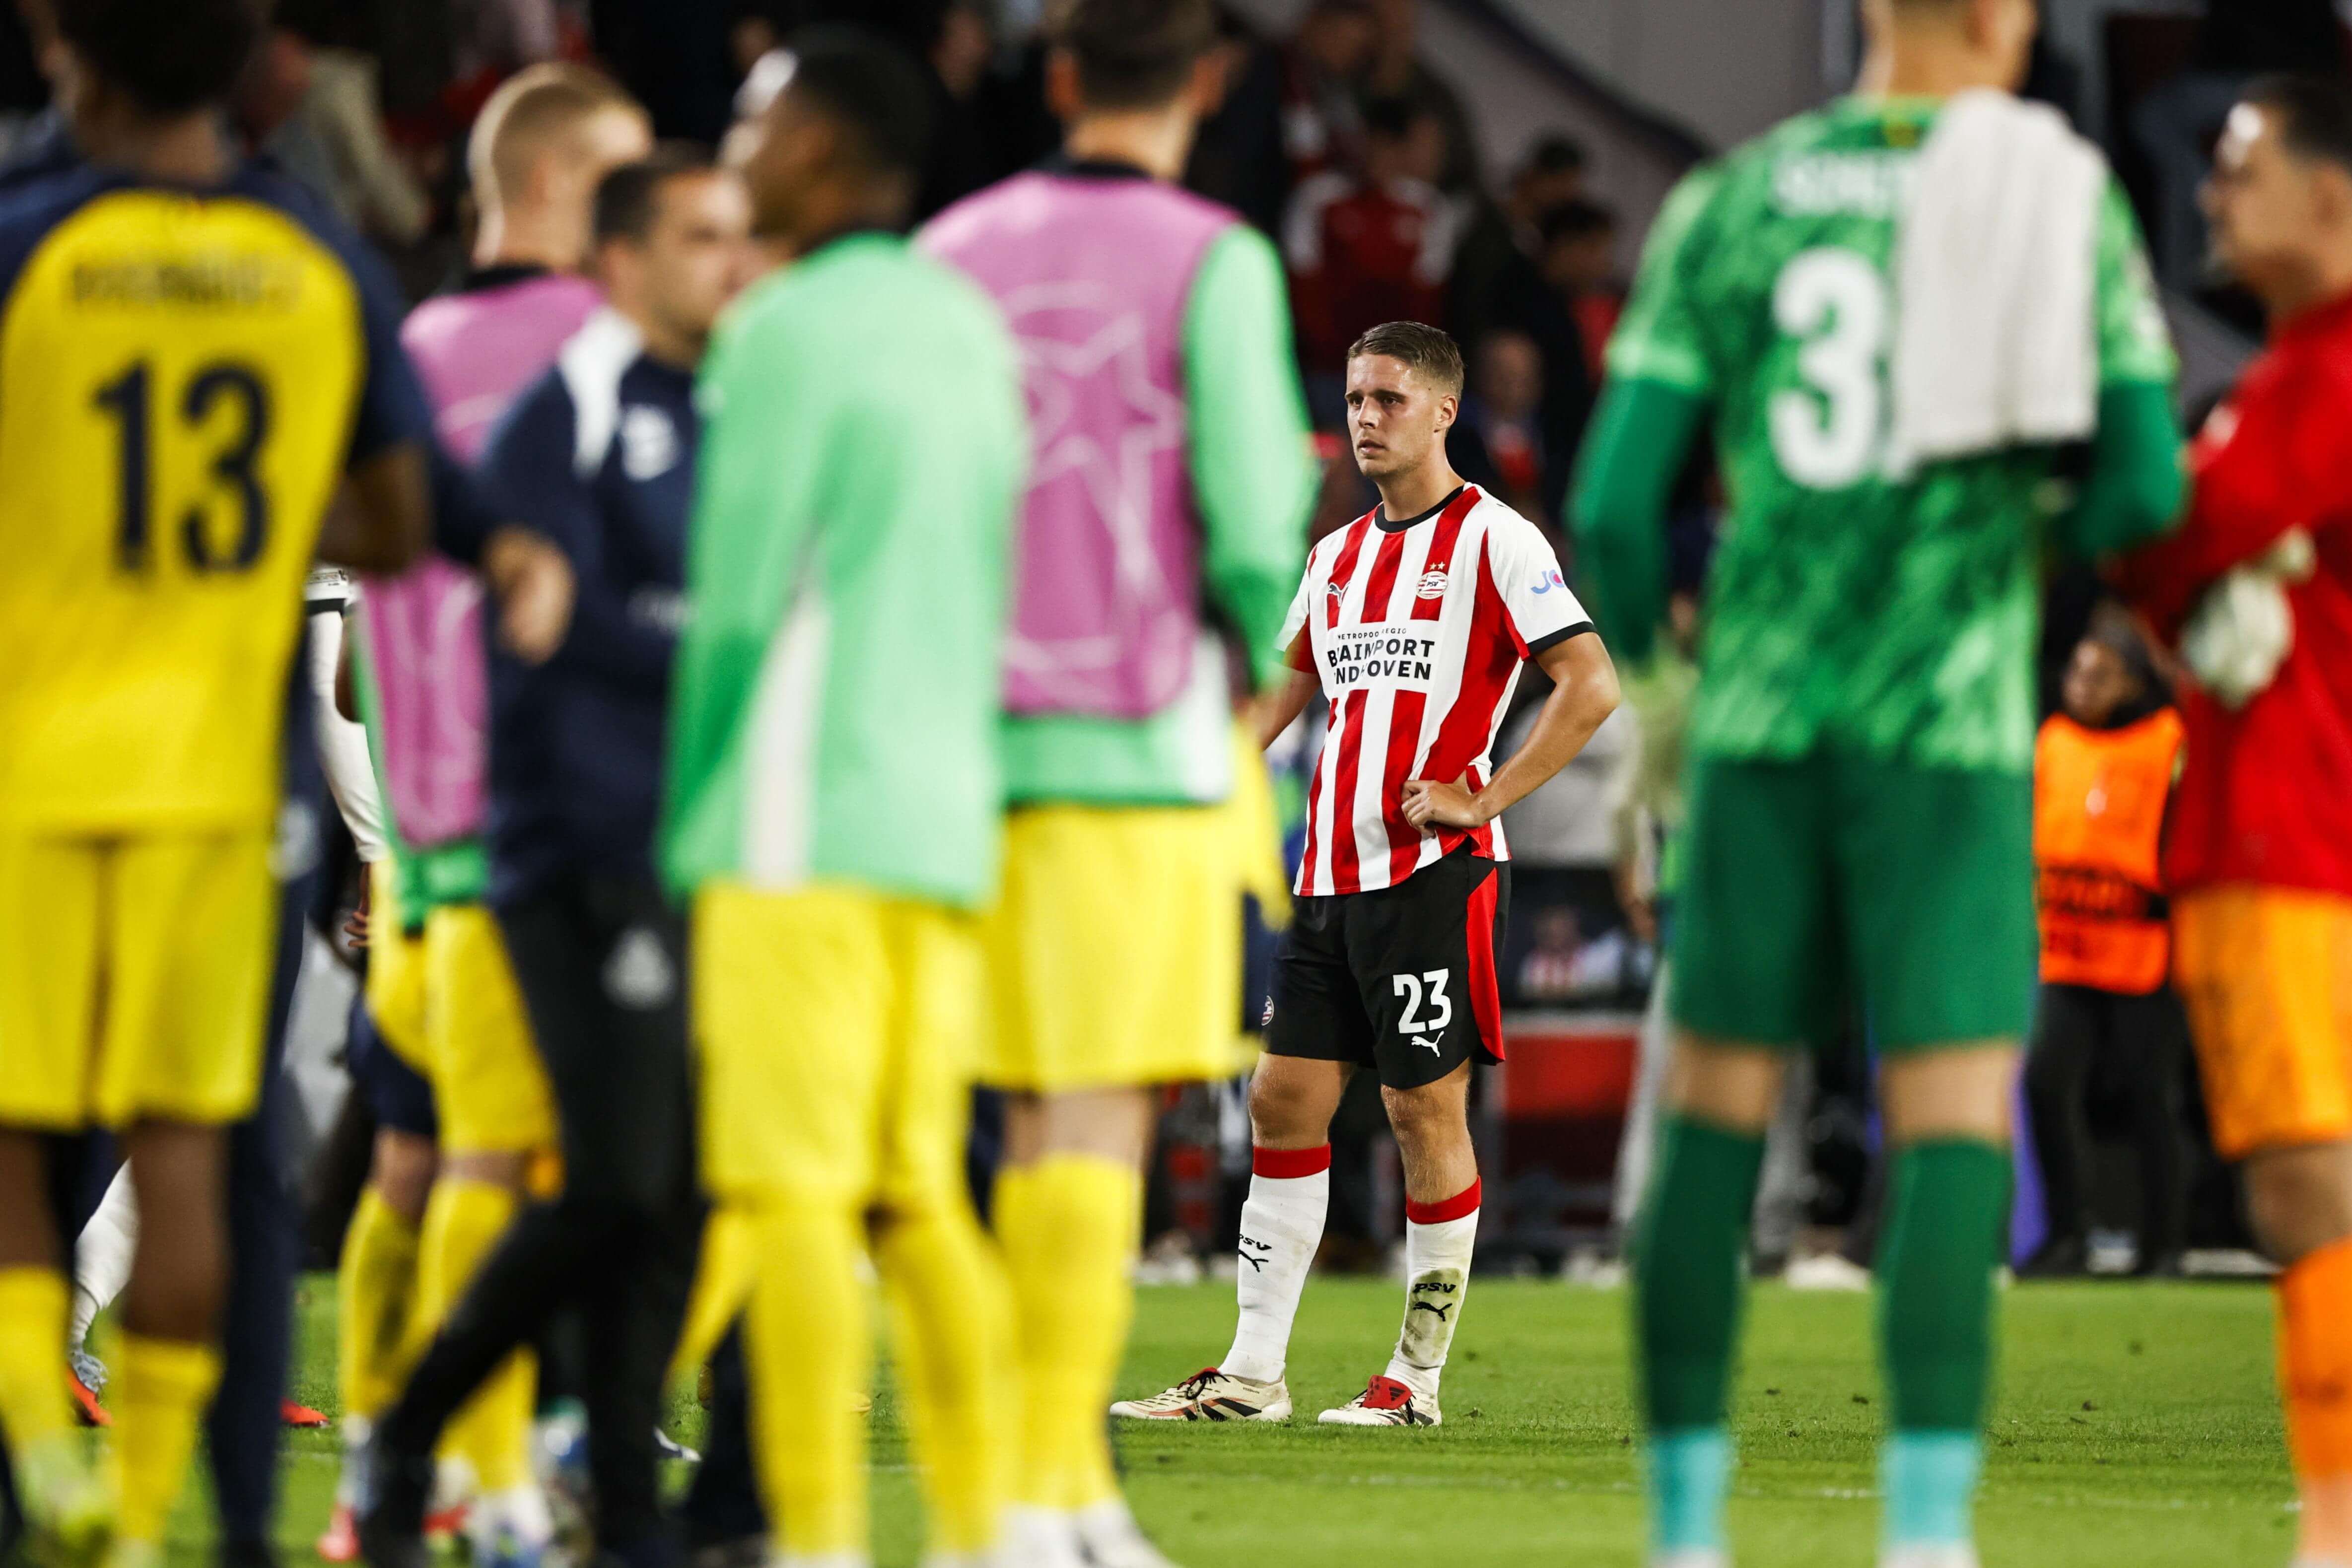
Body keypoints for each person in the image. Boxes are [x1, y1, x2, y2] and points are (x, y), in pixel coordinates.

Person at [1569, 0, 2185, 1562]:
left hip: (1761, 735)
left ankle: (1685, 1531)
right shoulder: (2057, 194)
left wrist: (1660, 698)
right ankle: (1923, 1537)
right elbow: (2140, 485)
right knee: (1952, 1119)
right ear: (2003, 16)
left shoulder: (1736, 197)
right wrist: (2018, 526)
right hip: (1950, 740)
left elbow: (1617, 511)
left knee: (1714, 1120)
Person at [0, 0, 433, 1563]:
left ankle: (38, 1453)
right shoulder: (309, 260)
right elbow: (391, 525)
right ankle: (138, 1509)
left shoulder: (24, 244)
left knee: (15, 1137)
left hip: (36, 761)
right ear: (253, 65)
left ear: (68, 49)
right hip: (225, 778)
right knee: (187, 1154)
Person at [919, 0, 1314, 1558]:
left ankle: (1040, 1490)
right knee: (1087, 1129)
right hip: (1139, 753)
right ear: (1207, 85)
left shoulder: (949, 251)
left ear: (1061, 76)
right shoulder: (1213, 260)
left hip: (958, 747)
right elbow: (1242, 521)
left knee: (996, 1128)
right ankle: (1037, 1491)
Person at [356, 146, 754, 1568]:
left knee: (685, 1189)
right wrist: (739, 649)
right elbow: (558, 617)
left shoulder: (722, 407)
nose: (731, 260)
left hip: (692, 849)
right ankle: (409, 1436)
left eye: (739, 235)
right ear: (624, 258)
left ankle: (628, 1520)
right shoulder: (558, 414)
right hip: (576, 847)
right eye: (703, 236)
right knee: (613, 1184)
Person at [661, 28, 1027, 1568]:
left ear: (817, 150)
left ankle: (810, 1541)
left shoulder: (782, 329)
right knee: (919, 1197)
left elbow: (733, 607)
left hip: (796, 819)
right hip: (944, 819)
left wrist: (680, 823)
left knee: (793, 1200)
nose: (734, 141)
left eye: (756, 117)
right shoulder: (969, 324)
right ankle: (981, 1526)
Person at [1118, 321, 1619, 1428]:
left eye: (1388, 399)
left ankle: (1414, 1380)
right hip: (1328, 876)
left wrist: (1483, 795)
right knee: (1281, 1097)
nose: (1363, 417)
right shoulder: (1335, 556)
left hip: (1431, 874)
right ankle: (1251, 1372)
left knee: (1419, 1109)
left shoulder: (1496, 538)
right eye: (1353, 398)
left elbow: (1589, 683)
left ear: (1444, 411)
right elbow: (1272, 701)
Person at [336, 63, 652, 1568]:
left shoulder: (408, 344)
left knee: (430, 1157)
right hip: (563, 831)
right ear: (554, 190)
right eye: (627, 187)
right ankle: (498, 1476)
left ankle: (393, 1452)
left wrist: (392, 834)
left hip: (423, 841)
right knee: (552, 1170)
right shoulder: (604, 354)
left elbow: (362, 624)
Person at [2112, 72, 2352, 1568]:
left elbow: (2175, 537)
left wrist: (2117, 422)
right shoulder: (2287, 383)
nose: (2211, 192)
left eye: (2241, 166)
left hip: (2291, 841)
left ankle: (2336, 1523)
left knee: (2303, 1173)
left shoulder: (2310, 387)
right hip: (2293, 830)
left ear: (2332, 196)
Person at [2020, 623, 2195, 1279]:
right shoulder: (2052, 741)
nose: (2080, 688)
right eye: (2073, 673)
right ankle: (2069, 1233)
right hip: (2066, 950)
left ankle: (2164, 1245)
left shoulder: (2165, 742)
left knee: (2150, 1094)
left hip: (2143, 951)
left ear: (2130, 682)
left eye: (2097, 676)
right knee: (2044, 1082)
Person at [1284, 96, 1459, 394]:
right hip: (1324, 371)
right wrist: (1327, 354)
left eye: (1387, 146)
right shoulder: (1317, 198)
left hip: (1395, 375)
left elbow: (1427, 300)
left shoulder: (1430, 211)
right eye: (1370, 143)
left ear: (1402, 151)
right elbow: (1302, 285)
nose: (1377, 156)